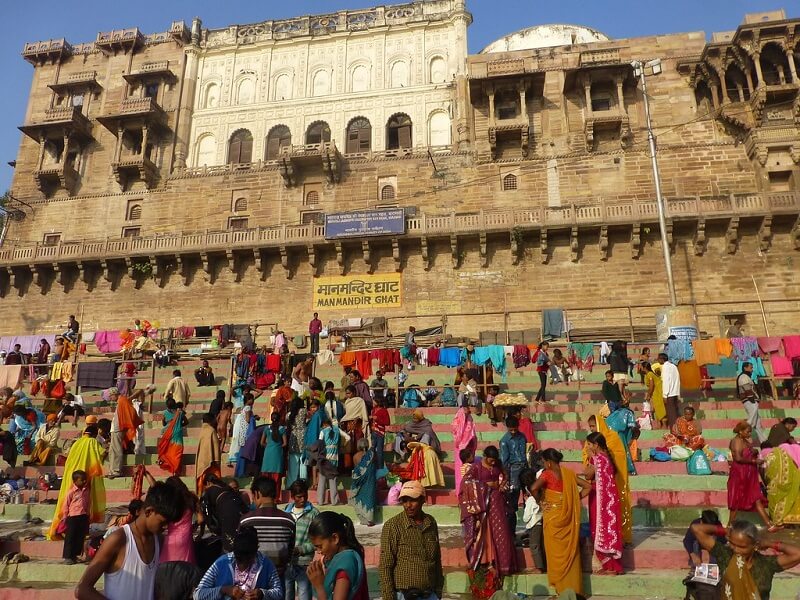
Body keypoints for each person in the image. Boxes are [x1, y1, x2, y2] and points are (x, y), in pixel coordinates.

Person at [75, 482, 184, 600]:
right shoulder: (119, 539)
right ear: (149, 512)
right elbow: (82, 590)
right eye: (163, 522)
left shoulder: (159, 541)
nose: (166, 527)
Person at [528, 448, 589, 596]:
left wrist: (540, 502)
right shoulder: (568, 474)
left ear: (548, 462)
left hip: (553, 518)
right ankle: (573, 591)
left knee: (555, 556)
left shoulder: (547, 474)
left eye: (543, 461)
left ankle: (561, 591)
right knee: (571, 553)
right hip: (567, 518)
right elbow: (588, 487)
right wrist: (572, 500)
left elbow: (533, 488)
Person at [690, 519, 800, 600]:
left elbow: (797, 554)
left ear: (755, 545)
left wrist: (770, 543)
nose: (736, 550)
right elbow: (697, 528)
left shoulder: (766, 564)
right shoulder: (726, 556)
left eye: (742, 547)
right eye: (733, 544)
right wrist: (727, 530)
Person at [379, 480, 444, 600]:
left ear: (422, 499)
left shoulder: (430, 522)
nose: (408, 505)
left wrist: (438, 591)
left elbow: (436, 559)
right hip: (404, 595)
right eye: (404, 500)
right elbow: (385, 565)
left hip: (430, 594)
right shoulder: (393, 526)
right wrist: (388, 597)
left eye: (413, 500)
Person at [459, 446, 518, 577]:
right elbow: (466, 482)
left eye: (494, 461)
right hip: (482, 504)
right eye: (491, 460)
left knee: (501, 530)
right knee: (486, 531)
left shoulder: (498, 464)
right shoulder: (476, 467)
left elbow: (505, 474)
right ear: (485, 456)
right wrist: (485, 487)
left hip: (497, 501)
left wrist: (502, 486)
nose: (493, 463)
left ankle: (503, 564)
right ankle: (487, 561)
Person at [193, 525, 283, 600]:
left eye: (248, 561)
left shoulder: (266, 564)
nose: (243, 566)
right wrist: (224, 590)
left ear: (256, 552)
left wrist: (262, 594)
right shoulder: (221, 563)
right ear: (234, 553)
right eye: (239, 560)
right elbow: (198, 594)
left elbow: (279, 593)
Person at [49, 424, 106, 540]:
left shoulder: (76, 443)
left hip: (72, 477)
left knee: (66, 503)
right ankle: (80, 531)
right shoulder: (93, 442)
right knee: (83, 506)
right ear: (94, 435)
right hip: (84, 478)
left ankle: (60, 529)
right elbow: (101, 454)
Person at [582, 432, 624, 575]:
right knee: (607, 528)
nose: (587, 447)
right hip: (607, 500)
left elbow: (588, 475)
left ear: (596, 445)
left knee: (600, 527)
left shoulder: (597, 459)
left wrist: (589, 457)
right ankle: (611, 566)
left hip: (599, 500)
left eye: (589, 444)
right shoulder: (607, 458)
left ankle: (610, 567)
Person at [240, 476, 296, 579]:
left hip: (252, 579)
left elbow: (241, 550)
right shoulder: (289, 520)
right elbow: (290, 549)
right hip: (278, 577)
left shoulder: (246, 520)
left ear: (257, 494)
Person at [306, 512, 369, 600]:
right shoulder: (342, 559)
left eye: (320, 546)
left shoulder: (345, 564)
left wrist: (319, 586)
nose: (319, 551)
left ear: (335, 538)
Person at [728, 421, 774, 529]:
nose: (749, 434)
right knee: (737, 500)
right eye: (748, 432)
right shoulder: (736, 441)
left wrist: (754, 452)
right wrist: (754, 461)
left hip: (749, 475)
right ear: (740, 431)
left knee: (756, 498)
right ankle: (729, 526)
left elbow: (748, 452)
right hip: (740, 474)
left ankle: (770, 525)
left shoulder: (744, 440)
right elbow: (738, 458)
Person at [283, 480, 319, 600]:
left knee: (304, 595)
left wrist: (301, 549)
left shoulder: (313, 514)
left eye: (305, 496)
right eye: (299, 497)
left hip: (304, 563)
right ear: (293, 497)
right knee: (287, 595)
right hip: (287, 563)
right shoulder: (286, 513)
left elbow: (318, 541)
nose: (303, 499)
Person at [199, 476, 248, 553]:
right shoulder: (228, 489)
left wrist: (202, 533)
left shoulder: (208, 492)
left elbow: (207, 518)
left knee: (229, 550)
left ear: (208, 483)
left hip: (228, 518)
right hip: (243, 522)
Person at [108, 388, 146, 479]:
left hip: (118, 428)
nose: (110, 397)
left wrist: (126, 424)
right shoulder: (122, 400)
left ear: (115, 394)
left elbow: (132, 412)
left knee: (116, 450)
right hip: (116, 428)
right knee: (112, 450)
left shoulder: (122, 400)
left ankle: (116, 470)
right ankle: (112, 470)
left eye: (111, 395)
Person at [160, 476, 199, 565]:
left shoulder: (170, 502)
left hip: (171, 539)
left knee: (167, 569)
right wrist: (193, 526)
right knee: (186, 569)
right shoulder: (191, 497)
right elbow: (201, 519)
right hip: (186, 538)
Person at [500, 415, 528, 533]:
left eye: (515, 429)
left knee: (529, 496)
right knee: (513, 500)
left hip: (524, 468)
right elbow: (504, 461)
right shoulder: (504, 441)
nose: (513, 432)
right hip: (513, 471)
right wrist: (506, 477)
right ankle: (511, 531)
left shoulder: (522, 437)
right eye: (510, 429)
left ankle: (529, 528)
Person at [763, 444, 800, 527]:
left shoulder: (770, 456)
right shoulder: (783, 454)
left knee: (776, 498)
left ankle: (779, 521)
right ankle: (786, 522)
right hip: (791, 479)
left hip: (782, 481)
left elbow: (767, 473)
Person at [61, 470, 91, 564]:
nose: (84, 482)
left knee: (80, 537)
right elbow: (66, 505)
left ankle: (75, 555)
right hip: (73, 517)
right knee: (70, 537)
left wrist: (88, 514)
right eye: (82, 480)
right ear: (75, 481)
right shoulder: (71, 492)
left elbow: (87, 503)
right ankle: (68, 556)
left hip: (83, 516)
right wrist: (65, 517)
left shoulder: (86, 490)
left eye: (85, 480)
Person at [519, 469, 546, 574]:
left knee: (534, 545)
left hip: (534, 525)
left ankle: (539, 567)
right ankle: (544, 565)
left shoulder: (531, 501)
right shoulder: (540, 496)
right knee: (541, 545)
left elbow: (526, 518)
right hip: (541, 522)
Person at [349, 439, 377, 526]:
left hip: (359, 482)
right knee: (369, 498)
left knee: (360, 498)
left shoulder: (355, 456)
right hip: (369, 480)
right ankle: (370, 520)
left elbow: (356, 470)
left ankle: (363, 519)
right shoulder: (372, 455)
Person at [317, 417, 344, 506]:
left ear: (324, 424)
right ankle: (334, 501)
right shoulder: (337, 430)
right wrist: (341, 446)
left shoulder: (322, 432)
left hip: (324, 459)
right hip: (334, 460)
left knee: (322, 481)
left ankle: (320, 501)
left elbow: (319, 444)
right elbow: (348, 438)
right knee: (333, 481)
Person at [737, 361, 765, 443]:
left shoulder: (746, 376)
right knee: (751, 421)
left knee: (757, 424)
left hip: (751, 400)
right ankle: (742, 433)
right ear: (745, 368)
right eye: (751, 368)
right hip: (750, 401)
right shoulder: (743, 377)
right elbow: (747, 389)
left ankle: (764, 441)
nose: (752, 370)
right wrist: (752, 399)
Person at [158, 399, 188, 476]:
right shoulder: (180, 413)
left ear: (167, 406)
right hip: (177, 434)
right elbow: (186, 422)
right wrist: (179, 425)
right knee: (177, 452)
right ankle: (175, 468)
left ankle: (169, 464)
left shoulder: (165, 413)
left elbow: (164, 424)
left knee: (167, 450)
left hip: (167, 434)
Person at [452, 405, 477, 494]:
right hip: (460, 448)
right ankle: (460, 491)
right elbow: (457, 434)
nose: (467, 412)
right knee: (461, 472)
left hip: (469, 448)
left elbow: (473, 435)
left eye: (468, 411)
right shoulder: (456, 422)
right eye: (465, 410)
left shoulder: (470, 420)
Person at [229, 395, 256, 476]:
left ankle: (240, 471)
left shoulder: (243, 407)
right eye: (251, 399)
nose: (253, 400)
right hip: (246, 432)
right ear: (248, 400)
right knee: (245, 452)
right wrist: (254, 418)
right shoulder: (248, 408)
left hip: (242, 432)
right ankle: (243, 472)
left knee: (242, 451)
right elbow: (248, 420)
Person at [261, 413, 288, 491]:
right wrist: (278, 447)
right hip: (277, 453)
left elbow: (262, 443)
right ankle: (276, 497)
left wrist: (269, 446)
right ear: (279, 419)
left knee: (266, 477)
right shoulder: (282, 429)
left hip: (268, 453)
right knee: (276, 477)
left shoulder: (267, 428)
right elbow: (285, 443)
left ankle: (265, 494)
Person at [285, 397, 308, 490]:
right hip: (303, 436)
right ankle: (303, 481)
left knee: (293, 462)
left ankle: (291, 483)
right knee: (303, 461)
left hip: (293, 437)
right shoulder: (304, 411)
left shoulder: (289, 414)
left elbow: (288, 424)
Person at [196, 413, 222, 495]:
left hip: (201, 463)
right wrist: (217, 462)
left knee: (201, 484)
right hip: (211, 464)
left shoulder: (202, 431)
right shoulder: (211, 430)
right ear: (212, 420)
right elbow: (215, 449)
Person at [657, 353, 681, 428]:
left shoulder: (665, 367)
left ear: (662, 359)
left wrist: (665, 395)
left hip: (669, 394)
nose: (658, 360)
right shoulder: (673, 366)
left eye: (658, 359)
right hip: (675, 393)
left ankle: (674, 430)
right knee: (675, 412)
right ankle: (676, 428)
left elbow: (666, 381)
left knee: (671, 414)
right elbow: (677, 379)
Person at [643, 362, 666, 429]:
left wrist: (648, 395)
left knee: (659, 408)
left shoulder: (650, 374)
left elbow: (651, 385)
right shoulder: (649, 374)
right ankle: (659, 424)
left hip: (657, 392)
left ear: (644, 368)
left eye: (641, 366)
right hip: (657, 392)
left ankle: (664, 425)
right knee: (657, 408)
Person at [370, 399, 390, 471]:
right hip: (373, 432)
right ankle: (371, 466)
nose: (373, 402)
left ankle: (380, 468)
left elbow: (387, 422)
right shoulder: (373, 410)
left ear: (378, 402)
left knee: (379, 451)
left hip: (380, 433)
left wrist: (377, 419)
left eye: (374, 401)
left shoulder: (384, 410)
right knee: (371, 450)